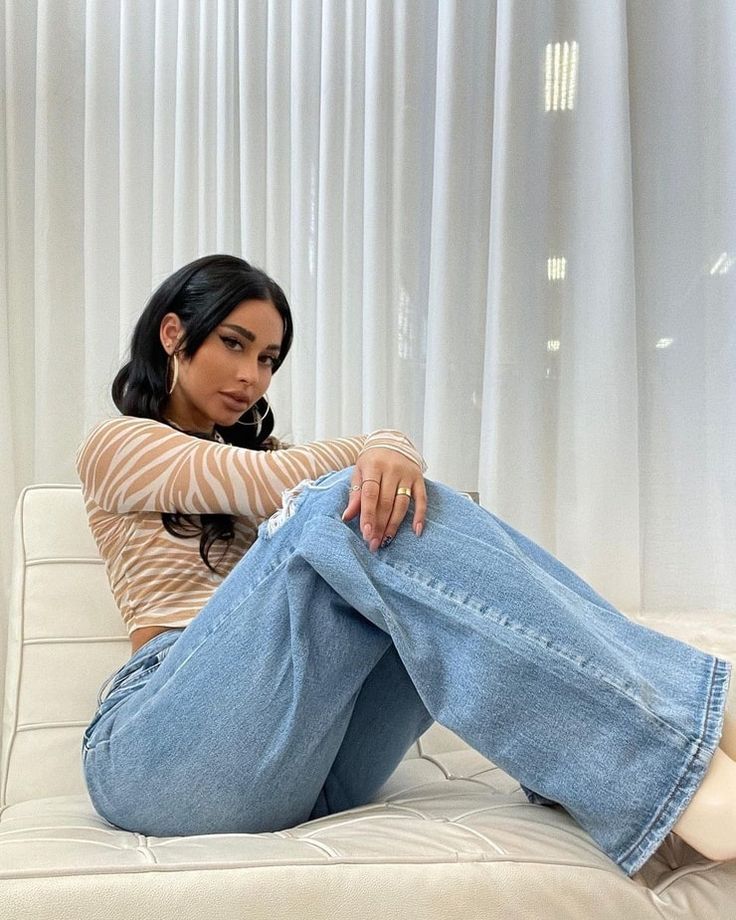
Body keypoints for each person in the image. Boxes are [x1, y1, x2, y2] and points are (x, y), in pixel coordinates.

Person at [76, 253, 735, 879]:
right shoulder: (118, 445)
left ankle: (662, 743)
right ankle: (694, 744)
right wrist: (385, 442)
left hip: (302, 771)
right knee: (350, 504)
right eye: (234, 343)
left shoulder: (281, 468)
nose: (252, 375)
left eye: (269, 358)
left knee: (384, 516)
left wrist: (385, 460)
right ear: (172, 333)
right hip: (156, 750)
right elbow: (269, 481)